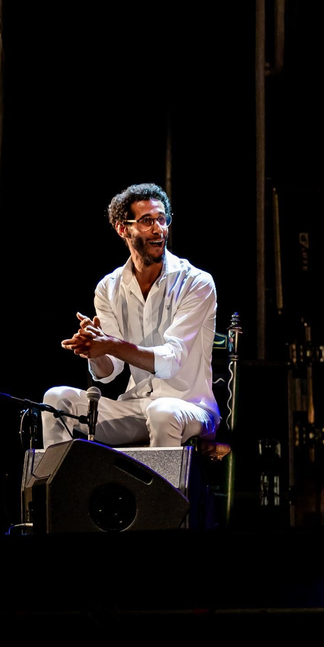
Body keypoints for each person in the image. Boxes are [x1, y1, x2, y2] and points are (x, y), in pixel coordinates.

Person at [42, 183, 219, 448]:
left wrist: (111, 344)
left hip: (189, 406)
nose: (158, 229)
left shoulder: (196, 282)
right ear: (123, 229)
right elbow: (109, 371)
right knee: (56, 400)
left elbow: (171, 361)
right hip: (136, 407)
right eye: (147, 221)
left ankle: (162, 492)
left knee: (162, 413)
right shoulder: (109, 287)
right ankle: (58, 489)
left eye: (162, 219)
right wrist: (96, 349)